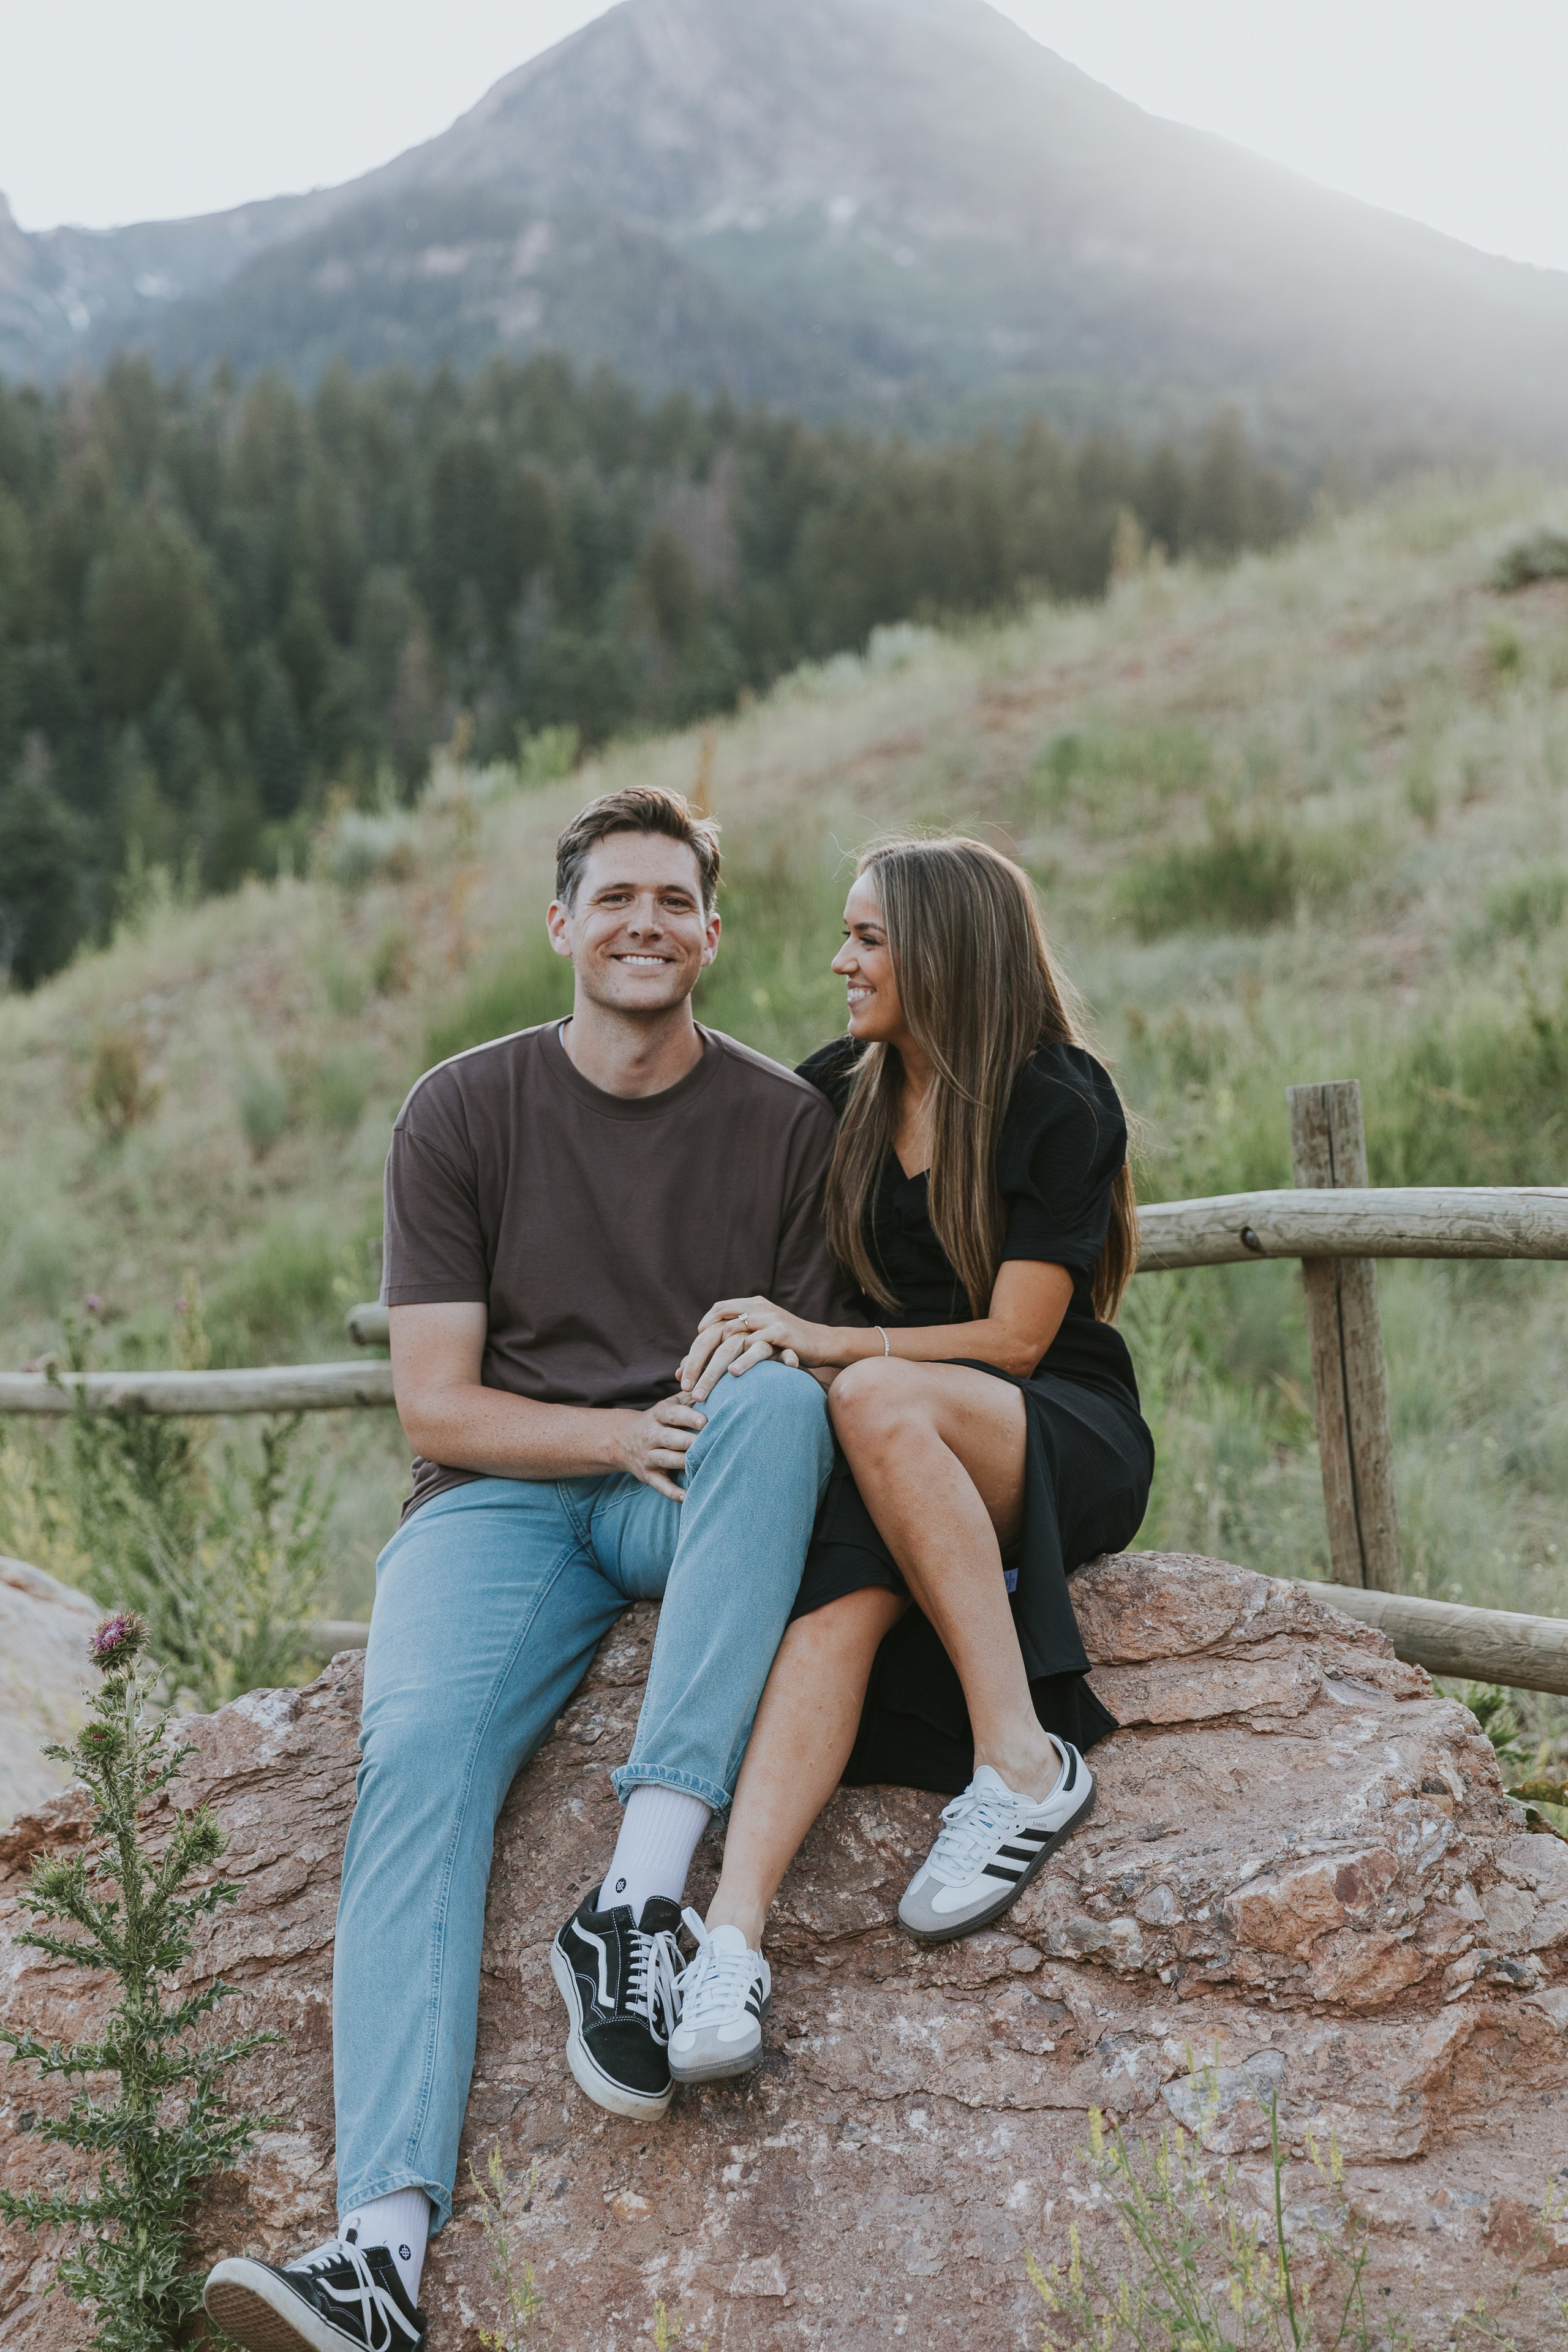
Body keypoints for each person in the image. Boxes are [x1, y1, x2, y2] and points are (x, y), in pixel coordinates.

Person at [203, 785, 852, 2352]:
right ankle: (378, 2260)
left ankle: (634, 1899)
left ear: (711, 930)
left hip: (686, 1490)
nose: (643, 921)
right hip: (496, 1506)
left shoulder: (782, 1124)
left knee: (774, 1396)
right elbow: (434, 1402)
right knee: (415, 1761)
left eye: (672, 899)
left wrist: (672, 1434)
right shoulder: (461, 1110)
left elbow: (802, 1373)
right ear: (561, 925)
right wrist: (608, 1432)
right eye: (612, 896)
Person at [660, 837, 1153, 2084]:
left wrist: (825, 1347)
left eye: (866, 938)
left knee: (873, 1394)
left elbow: (1019, 1337)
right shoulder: (842, 1090)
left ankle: (1021, 1764)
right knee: (829, 1613)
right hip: (883, 1434)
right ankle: (729, 1942)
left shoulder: (1056, 1095)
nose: (839, 960)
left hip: (1042, 1426)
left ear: (942, 950)